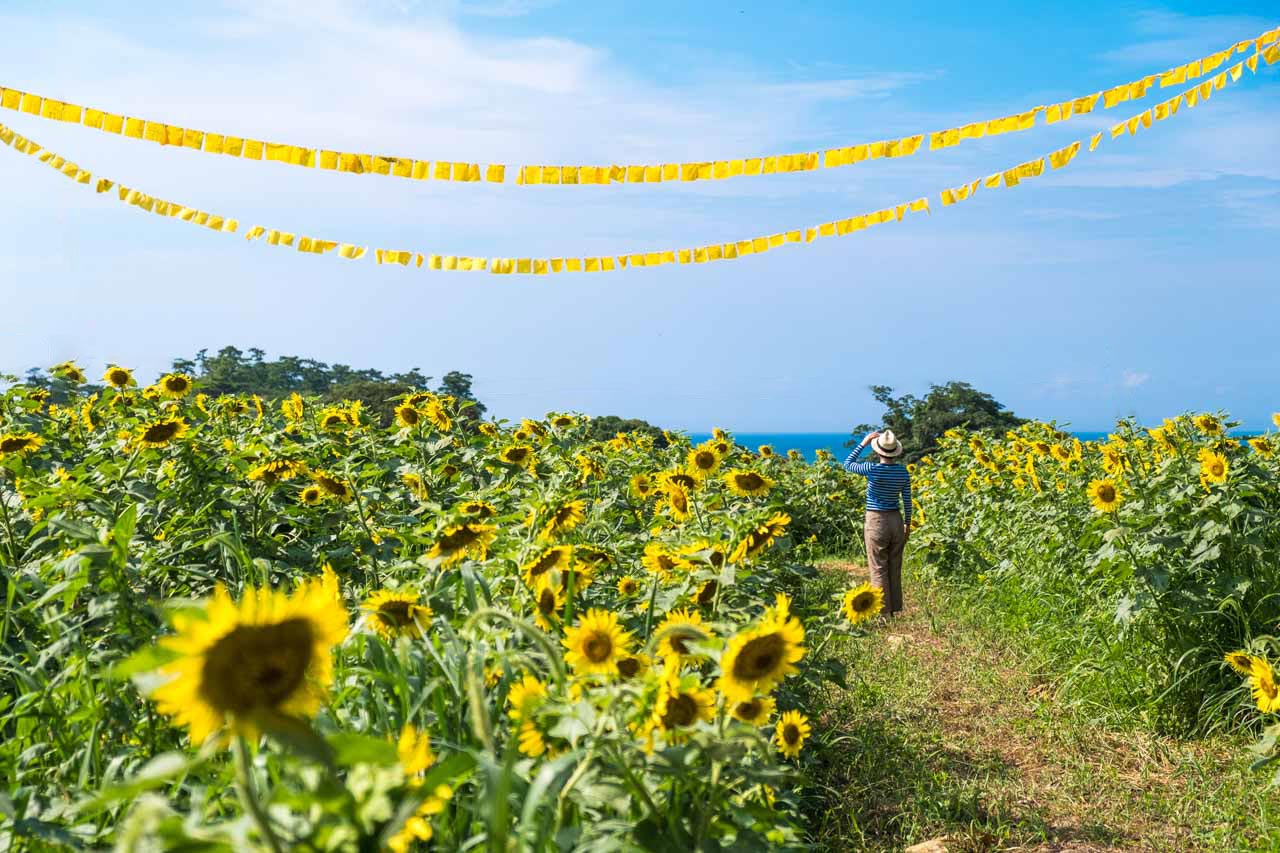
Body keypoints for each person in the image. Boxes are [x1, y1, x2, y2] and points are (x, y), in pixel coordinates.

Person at [843, 429, 912, 616]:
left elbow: (847, 464)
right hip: (896, 520)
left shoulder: (871, 469)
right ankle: (895, 608)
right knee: (894, 565)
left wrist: (864, 442)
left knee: (878, 566)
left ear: (879, 451)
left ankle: (882, 613)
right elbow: (907, 500)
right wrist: (907, 524)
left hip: (876, 520)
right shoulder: (902, 472)